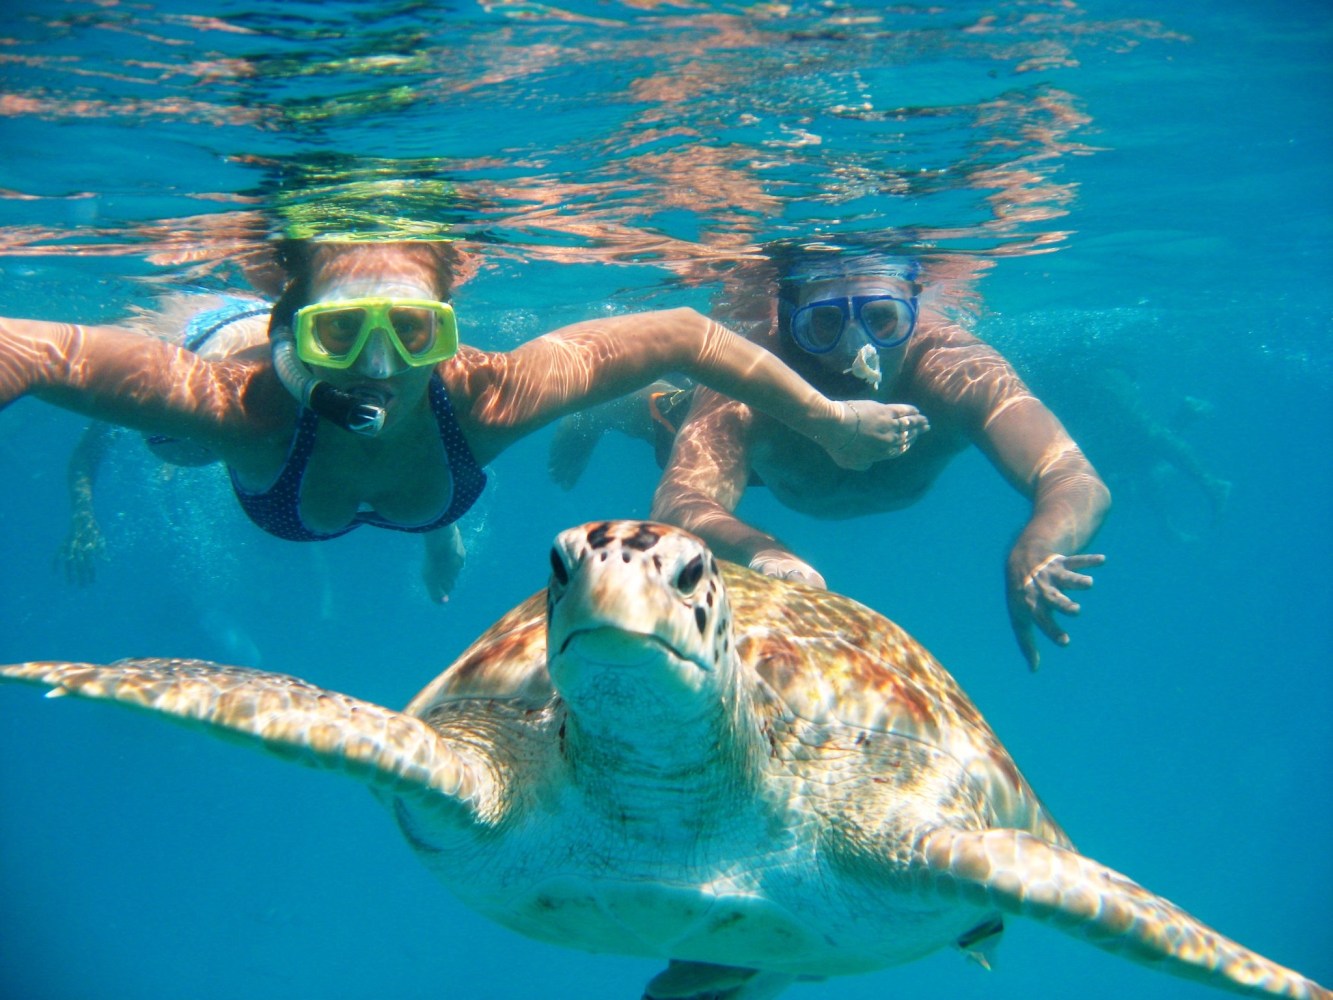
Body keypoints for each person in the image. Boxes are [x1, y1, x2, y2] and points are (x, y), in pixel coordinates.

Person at [2, 238, 926, 603]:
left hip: (386, 478)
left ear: (451, 334)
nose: (378, 366)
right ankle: (274, 346)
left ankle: (432, 538)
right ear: (300, 333)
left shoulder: (484, 397)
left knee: (420, 510)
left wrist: (825, 419)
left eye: (411, 330)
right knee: (176, 448)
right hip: (229, 345)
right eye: (336, 334)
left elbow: (685, 332)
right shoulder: (247, 413)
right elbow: (31, 348)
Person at [550, 248, 1110, 670]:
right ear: (787, 323)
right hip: (767, 466)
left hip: (785, 468)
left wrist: (1036, 549)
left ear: (913, 312)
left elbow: (1069, 474)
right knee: (664, 417)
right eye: (823, 325)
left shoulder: (951, 369)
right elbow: (679, 500)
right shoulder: (751, 375)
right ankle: (594, 415)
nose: (853, 351)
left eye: (883, 321)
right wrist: (765, 552)